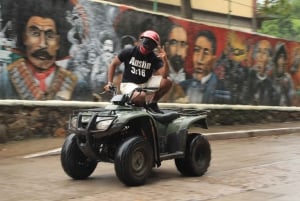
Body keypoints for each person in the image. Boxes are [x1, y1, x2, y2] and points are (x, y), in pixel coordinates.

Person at [0, 0, 88, 100]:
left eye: (50, 35)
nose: (42, 44)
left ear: (58, 42)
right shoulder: (4, 81)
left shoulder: (77, 86)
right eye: (35, 33)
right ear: (24, 38)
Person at [104, 30, 172, 113]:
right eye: (146, 42)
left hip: (145, 83)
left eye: (151, 45)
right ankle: (143, 109)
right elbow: (113, 64)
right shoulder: (129, 51)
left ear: (154, 47)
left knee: (168, 82)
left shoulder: (153, 57)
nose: (147, 47)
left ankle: (152, 104)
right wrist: (109, 83)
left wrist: (165, 60)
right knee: (140, 95)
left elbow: (164, 75)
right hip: (129, 84)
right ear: (141, 41)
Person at [179, 30, 218, 103]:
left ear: (213, 59)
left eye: (206, 53)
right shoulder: (182, 86)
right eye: (197, 50)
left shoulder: (220, 89)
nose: (200, 59)